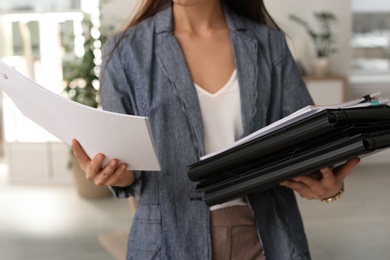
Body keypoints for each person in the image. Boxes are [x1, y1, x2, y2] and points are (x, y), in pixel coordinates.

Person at [71, 0, 360, 259]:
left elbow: (308, 140)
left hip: (268, 236)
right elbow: (128, 171)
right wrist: (114, 174)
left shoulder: (269, 43)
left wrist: (328, 186)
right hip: (168, 241)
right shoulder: (126, 51)